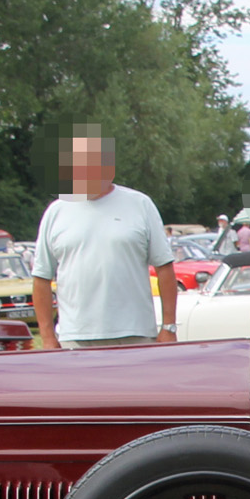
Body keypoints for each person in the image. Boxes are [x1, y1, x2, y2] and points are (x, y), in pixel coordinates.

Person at [32, 130, 178, 349]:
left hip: (136, 334)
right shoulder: (56, 212)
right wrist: (47, 336)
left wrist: (169, 327)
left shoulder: (140, 205)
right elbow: (41, 279)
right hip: (75, 337)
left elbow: (164, 269)